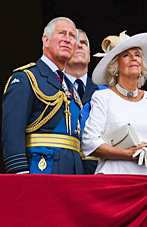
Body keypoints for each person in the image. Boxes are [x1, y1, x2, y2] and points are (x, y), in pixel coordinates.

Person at [81, 31, 147, 175]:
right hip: (116, 179)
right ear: (115, 67)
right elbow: (89, 142)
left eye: (137, 55)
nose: (133, 58)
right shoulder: (103, 98)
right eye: (126, 55)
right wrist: (129, 154)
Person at [2, 16, 85, 174]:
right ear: (45, 40)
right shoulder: (26, 78)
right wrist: (19, 173)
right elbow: (12, 131)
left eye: (72, 36)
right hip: (41, 169)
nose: (67, 39)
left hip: (73, 172)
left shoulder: (71, 87)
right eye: (62, 33)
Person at [64, 29, 100, 174]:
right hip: (63, 168)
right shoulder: (51, 89)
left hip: (98, 170)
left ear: (89, 56)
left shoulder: (105, 93)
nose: (80, 46)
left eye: (84, 43)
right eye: (75, 42)